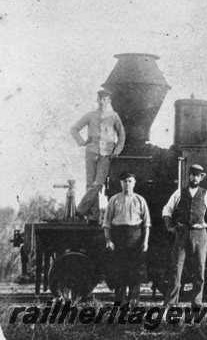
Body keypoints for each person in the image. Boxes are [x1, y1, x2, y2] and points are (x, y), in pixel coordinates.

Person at [162, 164, 207, 308]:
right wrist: (169, 226)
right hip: (182, 233)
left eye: (198, 176)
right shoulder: (179, 193)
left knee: (199, 269)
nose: (195, 178)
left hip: (199, 234)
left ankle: (197, 302)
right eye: (193, 175)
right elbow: (167, 209)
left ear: (201, 178)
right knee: (176, 269)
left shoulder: (206, 194)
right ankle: (171, 302)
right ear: (189, 176)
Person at [70, 90, 126, 223]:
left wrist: (116, 152)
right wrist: (82, 142)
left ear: (109, 101)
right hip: (91, 152)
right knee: (90, 183)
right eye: (101, 99)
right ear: (97, 100)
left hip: (106, 155)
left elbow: (122, 135)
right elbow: (74, 129)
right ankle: (93, 217)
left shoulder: (114, 116)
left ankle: (81, 209)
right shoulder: (90, 115)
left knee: (98, 183)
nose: (103, 102)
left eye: (105, 99)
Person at [103, 172, 150, 306]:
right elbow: (106, 223)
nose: (127, 184)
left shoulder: (140, 200)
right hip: (119, 238)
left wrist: (145, 241)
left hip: (135, 239)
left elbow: (146, 224)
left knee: (135, 273)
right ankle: (120, 304)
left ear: (134, 183)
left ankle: (134, 304)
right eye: (125, 182)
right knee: (119, 273)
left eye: (130, 181)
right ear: (121, 183)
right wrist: (108, 240)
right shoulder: (114, 200)